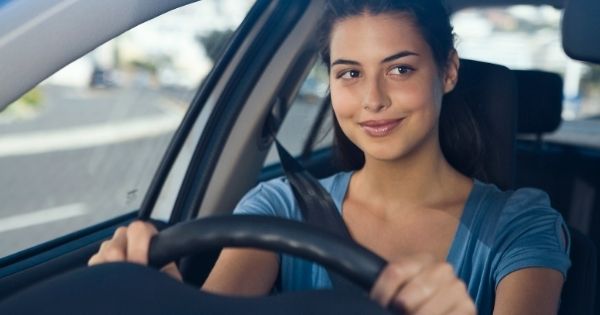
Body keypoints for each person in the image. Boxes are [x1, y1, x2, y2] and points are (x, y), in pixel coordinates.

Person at [88, 0, 571, 313]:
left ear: (447, 71)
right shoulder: (280, 207)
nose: (373, 100)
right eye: (350, 74)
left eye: (400, 69)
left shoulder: (520, 224)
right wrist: (161, 293)